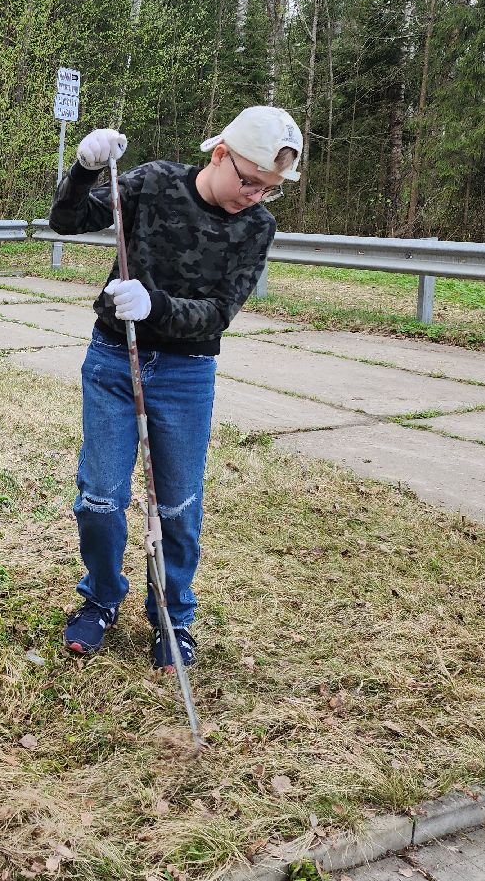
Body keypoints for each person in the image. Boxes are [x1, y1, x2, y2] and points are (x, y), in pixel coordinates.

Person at [49, 106, 303, 670]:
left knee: (178, 506)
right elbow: (67, 221)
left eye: (270, 189)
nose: (256, 196)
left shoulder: (257, 226)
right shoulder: (155, 182)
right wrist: (85, 169)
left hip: (187, 374)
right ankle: (100, 600)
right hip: (114, 361)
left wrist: (156, 305)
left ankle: (172, 616)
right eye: (251, 181)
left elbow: (220, 313)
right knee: (100, 498)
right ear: (221, 155)